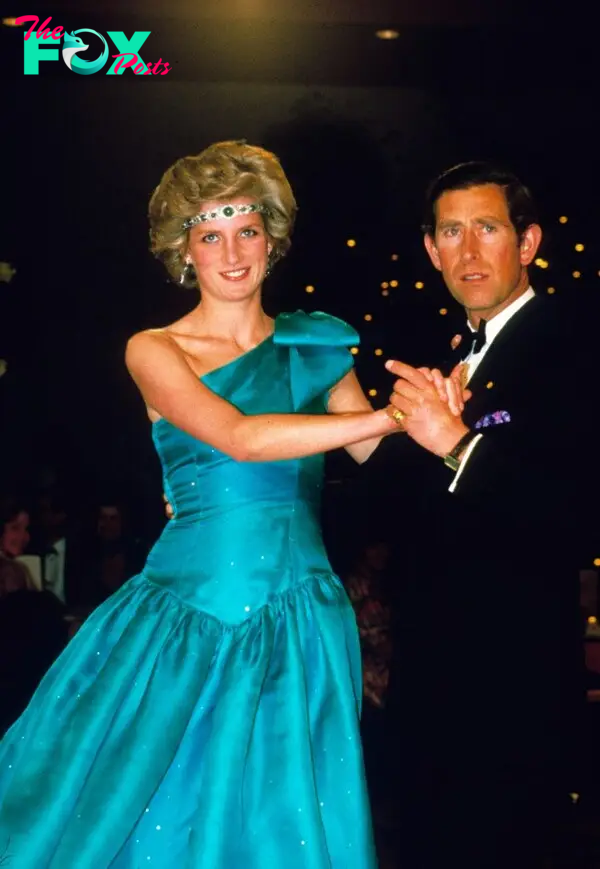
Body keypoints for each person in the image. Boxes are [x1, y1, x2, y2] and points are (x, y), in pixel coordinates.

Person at [0, 140, 462, 869]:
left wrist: (440, 422)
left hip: (303, 617)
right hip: (189, 616)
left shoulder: (316, 346)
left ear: (272, 239)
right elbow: (242, 439)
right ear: (185, 250)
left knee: (283, 821)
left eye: (247, 229)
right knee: (154, 807)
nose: (231, 251)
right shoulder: (156, 349)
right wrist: (390, 416)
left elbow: (384, 467)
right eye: (210, 234)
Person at [373, 161, 598, 869]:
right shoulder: (449, 360)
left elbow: (578, 509)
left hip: (516, 692)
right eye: (451, 232)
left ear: (527, 242)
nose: (469, 251)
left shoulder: (573, 343)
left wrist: (455, 444)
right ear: (431, 251)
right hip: (436, 685)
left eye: (488, 229)